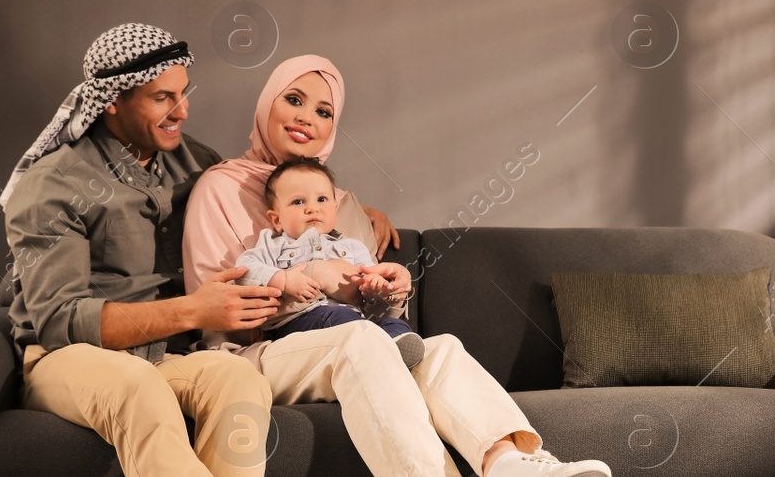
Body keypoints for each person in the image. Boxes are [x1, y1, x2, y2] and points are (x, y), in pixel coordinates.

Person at [184, 55, 613, 477]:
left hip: (352, 336)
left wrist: (391, 291)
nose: (306, 118)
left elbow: (370, 310)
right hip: (254, 352)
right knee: (360, 341)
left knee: (438, 347)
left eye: (324, 111)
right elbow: (215, 310)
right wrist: (310, 278)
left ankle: (508, 462)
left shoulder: (343, 206)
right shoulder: (220, 188)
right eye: (293, 100)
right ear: (266, 106)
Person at [0, 23, 280, 477]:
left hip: (166, 357)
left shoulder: (196, 162)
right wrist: (193, 312)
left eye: (184, 94)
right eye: (162, 98)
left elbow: (276, 196)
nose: (183, 111)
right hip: (67, 360)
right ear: (112, 99)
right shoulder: (55, 183)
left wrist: (352, 211)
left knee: (239, 379)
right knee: (137, 386)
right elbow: (61, 322)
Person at [235, 156, 424, 367]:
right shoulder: (273, 244)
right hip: (298, 322)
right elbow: (244, 271)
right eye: (298, 202)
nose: (312, 208)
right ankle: (379, 348)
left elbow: (370, 281)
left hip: (355, 321)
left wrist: (376, 287)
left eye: (322, 199)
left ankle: (396, 346)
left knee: (389, 323)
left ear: (335, 207)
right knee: (343, 319)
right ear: (277, 219)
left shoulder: (353, 247)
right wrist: (283, 280)